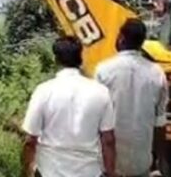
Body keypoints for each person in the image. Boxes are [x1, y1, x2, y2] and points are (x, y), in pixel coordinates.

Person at [21, 36, 117, 177]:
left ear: (56, 60)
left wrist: (26, 170)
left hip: (50, 171)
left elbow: (30, 141)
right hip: (89, 172)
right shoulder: (101, 92)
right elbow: (108, 140)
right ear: (80, 58)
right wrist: (110, 172)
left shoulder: (44, 91)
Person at [94, 18, 169, 177]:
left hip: (108, 164)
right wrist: (159, 161)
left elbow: (95, 118)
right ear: (142, 42)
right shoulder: (157, 73)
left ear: (121, 38)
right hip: (140, 163)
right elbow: (160, 124)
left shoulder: (103, 70)